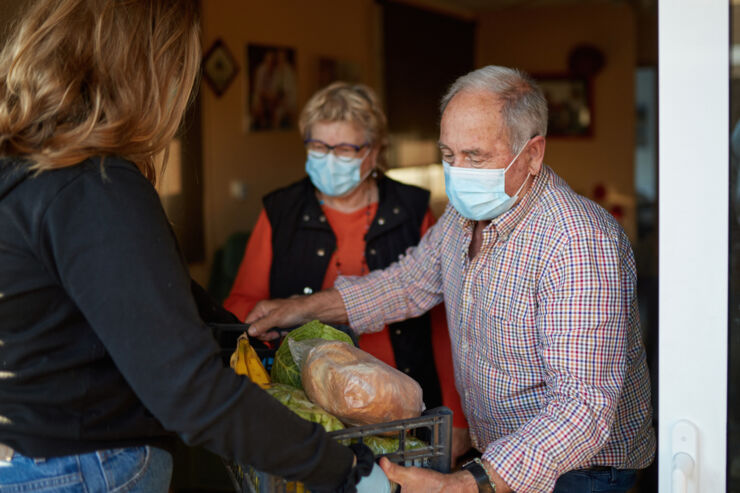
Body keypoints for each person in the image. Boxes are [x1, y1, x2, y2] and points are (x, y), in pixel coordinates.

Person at [0, 1, 387, 492]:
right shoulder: (93, 186)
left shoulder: (27, 169)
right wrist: (344, 470)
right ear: (145, 68)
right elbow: (190, 393)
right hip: (81, 467)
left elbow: (135, 298)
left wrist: (238, 334)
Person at [246, 66, 657, 493]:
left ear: (533, 155)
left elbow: (581, 409)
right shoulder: (465, 215)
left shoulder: (578, 243)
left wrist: (463, 484)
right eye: (448, 155)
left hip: (580, 472)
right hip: (501, 455)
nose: (458, 171)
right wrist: (299, 308)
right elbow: (406, 284)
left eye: (475, 156)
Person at [224, 81, 471, 463]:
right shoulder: (282, 210)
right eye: (318, 146)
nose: (328, 158)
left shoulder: (411, 208)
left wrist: (455, 414)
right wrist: (278, 317)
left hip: (402, 407)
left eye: (344, 149)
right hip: (311, 407)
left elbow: (444, 320)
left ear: (374, 151)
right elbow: (241, 304)